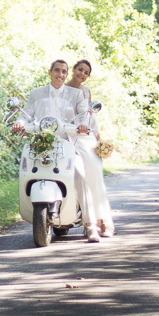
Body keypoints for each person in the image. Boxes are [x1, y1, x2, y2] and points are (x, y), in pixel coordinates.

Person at [12, 58, 102, 243]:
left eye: (64, 71)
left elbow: (84, 112)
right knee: (27, 169)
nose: (60, 74)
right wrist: (20, 122)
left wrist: (83, 125)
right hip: (41, 142)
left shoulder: (75, 94)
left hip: (67, 142)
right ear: (50, 71)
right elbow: (25, 113)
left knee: (79, 174)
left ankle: (90, 224)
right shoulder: (37, 93)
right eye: (57, 70)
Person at [66, 59, 115, 238]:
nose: (82, 74)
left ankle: (103, 220)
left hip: (85, 135)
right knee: (79, 173)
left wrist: (98, 136)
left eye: (86, 72)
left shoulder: (86, 91)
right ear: (73, 69)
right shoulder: (61, 89)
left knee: (95, 171)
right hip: (67, 135)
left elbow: (90, 115)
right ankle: (88, 221)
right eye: (80, 70)